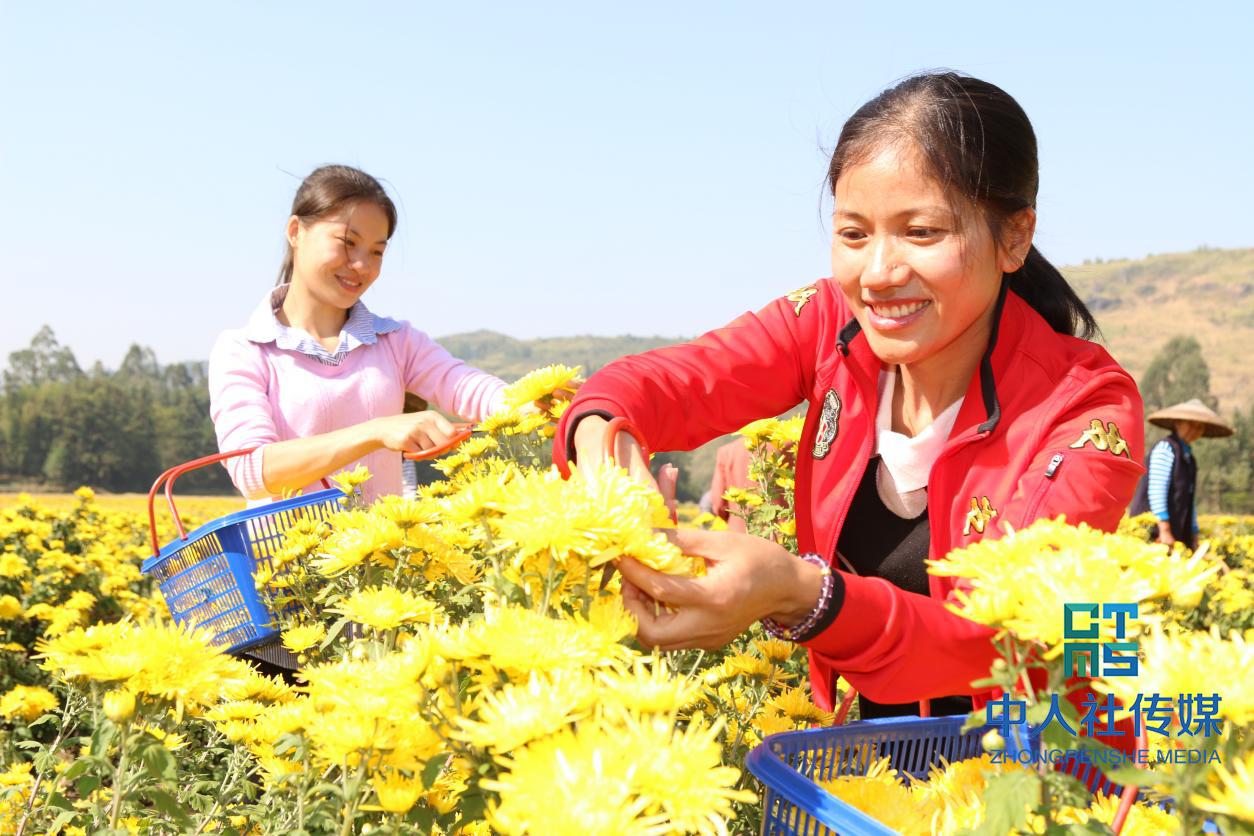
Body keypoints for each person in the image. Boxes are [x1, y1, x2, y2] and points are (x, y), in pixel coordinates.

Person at [554, 72, 1145, 719]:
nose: (879, 274)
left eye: (921, 233)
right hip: (874, 750)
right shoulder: (827, 323)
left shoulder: (1087, 408)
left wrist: (798, 594)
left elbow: (1001, 642)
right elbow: (655, 384)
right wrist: (604, 446)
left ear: (1013, 237)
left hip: (1039, 769)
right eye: (854, 234)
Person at [208, 165, 508, 506]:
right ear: (296, 231)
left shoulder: (396, 340)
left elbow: (471, 389)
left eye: (376, 251)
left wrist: (538, 399)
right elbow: (252, 471)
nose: (362, 266)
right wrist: (377, 431)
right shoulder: (245, 350)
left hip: (386, 558)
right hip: (286, 558)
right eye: (348, 243)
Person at [1133, 398, 1233, 550]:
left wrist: (1193, 532)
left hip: (1175, 533)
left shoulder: (1189, 458)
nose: (1195, 430)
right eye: (1191, 424)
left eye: (1200, 427)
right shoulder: (1165, 448)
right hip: (1152, 530)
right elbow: (1157, 491)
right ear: (1177, 423)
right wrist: (1164, 529)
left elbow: (1189, 499)